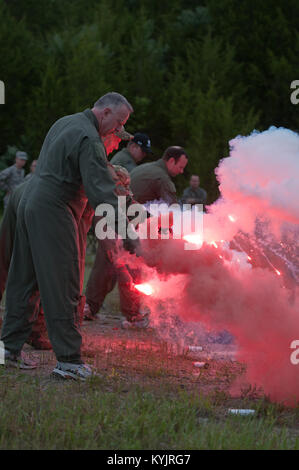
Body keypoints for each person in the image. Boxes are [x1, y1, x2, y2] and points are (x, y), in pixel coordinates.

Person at [1, 92, 135, 380]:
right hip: (54, 209)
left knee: (24, 279)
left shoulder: (66, 122)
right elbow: (102, 193)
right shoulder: (89, 138)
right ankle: (69, 362)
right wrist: (130, 233)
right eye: (119, 122)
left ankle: (8, 350)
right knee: (64, 282)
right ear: (106, 112)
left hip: (30, 203)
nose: (118, 130)